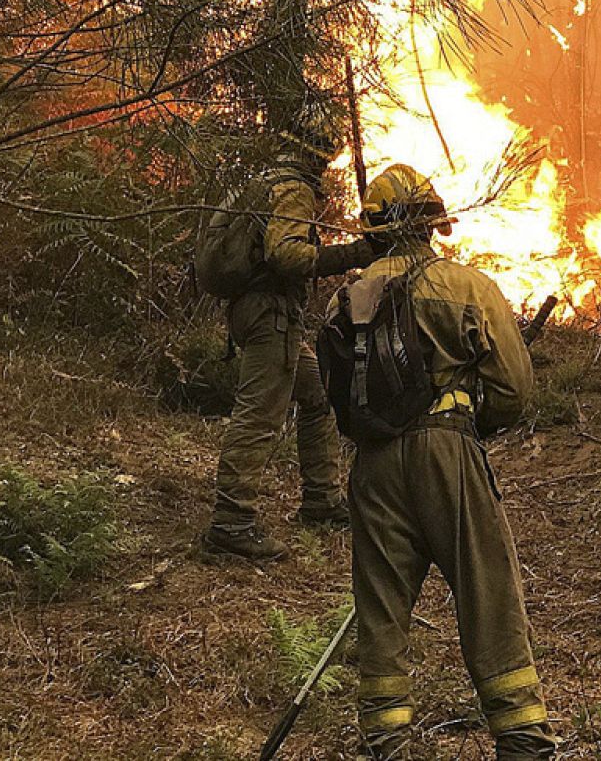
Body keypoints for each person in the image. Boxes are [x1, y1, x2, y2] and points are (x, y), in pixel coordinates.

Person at [340, 165, 554, 760]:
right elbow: (513, 388)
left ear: (377, 230)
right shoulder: (466, 286)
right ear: (431, 222)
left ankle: (386, 740)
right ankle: (521, 738)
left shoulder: (348, 296)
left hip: (373, 466)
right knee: (487, 591)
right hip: (446, 453)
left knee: (380, 608)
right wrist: (469, 424)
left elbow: (339, 392)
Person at [201, 111, 379, 562]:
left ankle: (321, 499)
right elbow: (287, 256)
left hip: (255, 313)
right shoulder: (294, 188)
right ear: (319, 153)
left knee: (317, 395)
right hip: (271, 316)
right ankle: (231, 523)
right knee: (260, 415)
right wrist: (355, 254)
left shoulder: (262, 180)